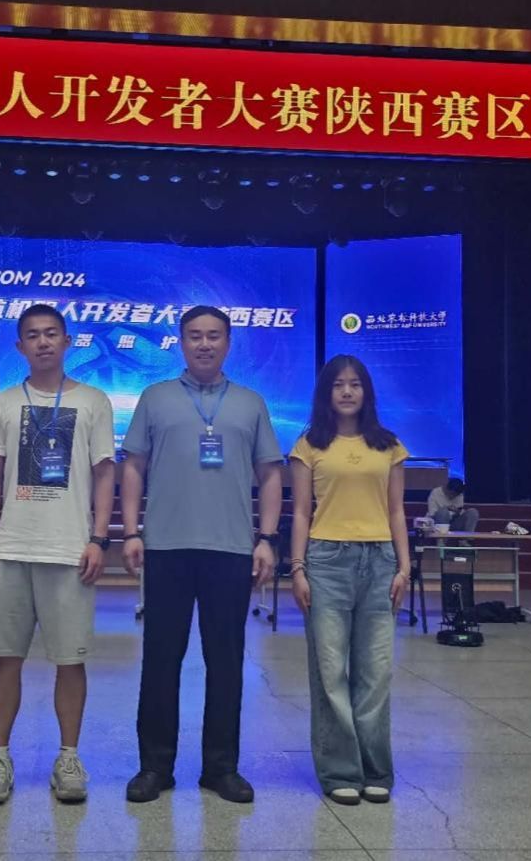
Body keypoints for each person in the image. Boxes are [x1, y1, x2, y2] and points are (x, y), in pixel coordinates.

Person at [121, 305, 283, 805]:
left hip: (231, 549)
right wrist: (131, 531)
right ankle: (155, 767)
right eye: (195, 335)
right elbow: (134, 466)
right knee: (160, 660)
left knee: (226, 663)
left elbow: (270, 473)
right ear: (181, 341)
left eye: (214, 336)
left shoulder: (250, 403)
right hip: (166, 546)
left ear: (228, 343)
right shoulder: (155, 397)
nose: (205, 344)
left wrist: (267, 538)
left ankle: (221, 768)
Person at [0, 305, 115, 805]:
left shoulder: (93, 401)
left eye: (52, 333)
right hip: (12, 548)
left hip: (70, 550)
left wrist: (99, 538)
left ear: (67, 340)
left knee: (70, 661)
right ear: (20, 346)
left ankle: (69, 757)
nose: (43, 342)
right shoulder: (3, 404)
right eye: (32, 335)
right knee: (5, 657)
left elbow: (104, 473)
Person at [288, 355, 411, 806]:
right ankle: (340, 770)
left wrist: (404, 567)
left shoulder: (389, 446)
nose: (346, 391)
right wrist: (297, 567)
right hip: (326, 561)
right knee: (330, 672)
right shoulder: (309, 445)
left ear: (366, 391)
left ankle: (376, 770)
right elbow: (301, 513)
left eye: (355, 384)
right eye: (338, 384)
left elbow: (396, 510)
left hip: (380, 561)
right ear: (326, 392)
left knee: (375, 672)